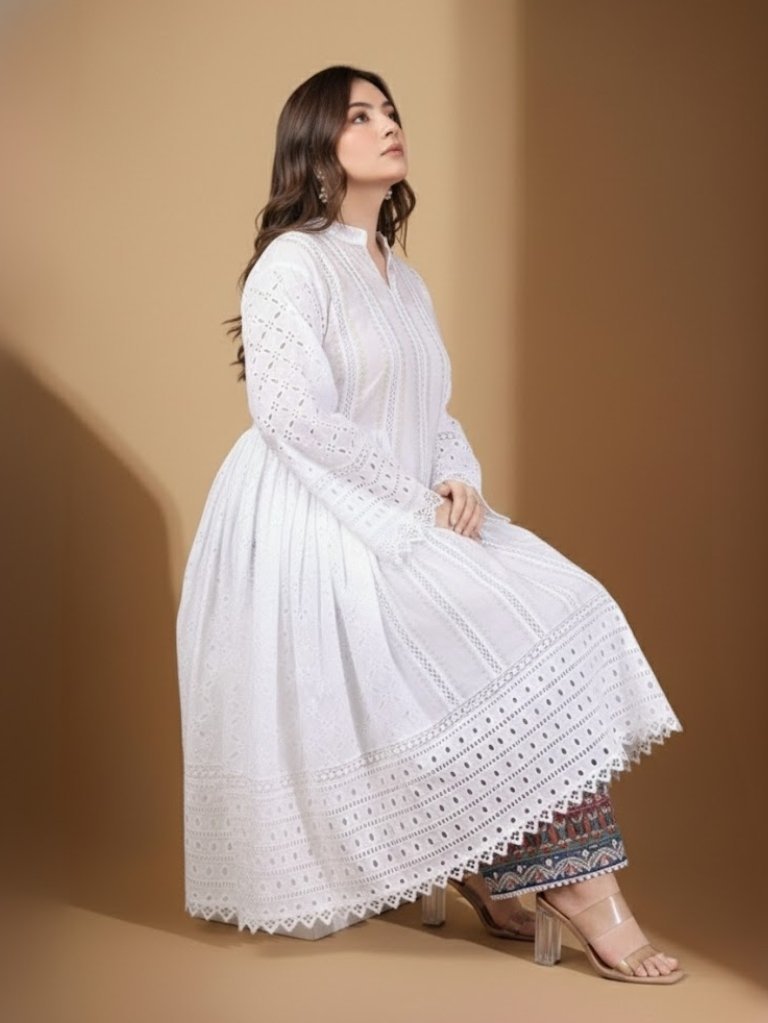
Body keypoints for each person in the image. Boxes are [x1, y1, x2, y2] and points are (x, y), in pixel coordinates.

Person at [175, 65, 685, 983]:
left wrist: (457, 476)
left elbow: (432, 407)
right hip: (314, 517)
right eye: (359, 115)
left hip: (405, 502)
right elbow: (292, 417)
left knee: (570, 606)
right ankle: (581, 888)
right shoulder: (293, 263)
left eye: (391, 110)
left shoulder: (402, 278)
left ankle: (496, 857)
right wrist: (413, 500)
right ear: (317, 146)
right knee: (494, 637)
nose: (387, 124)